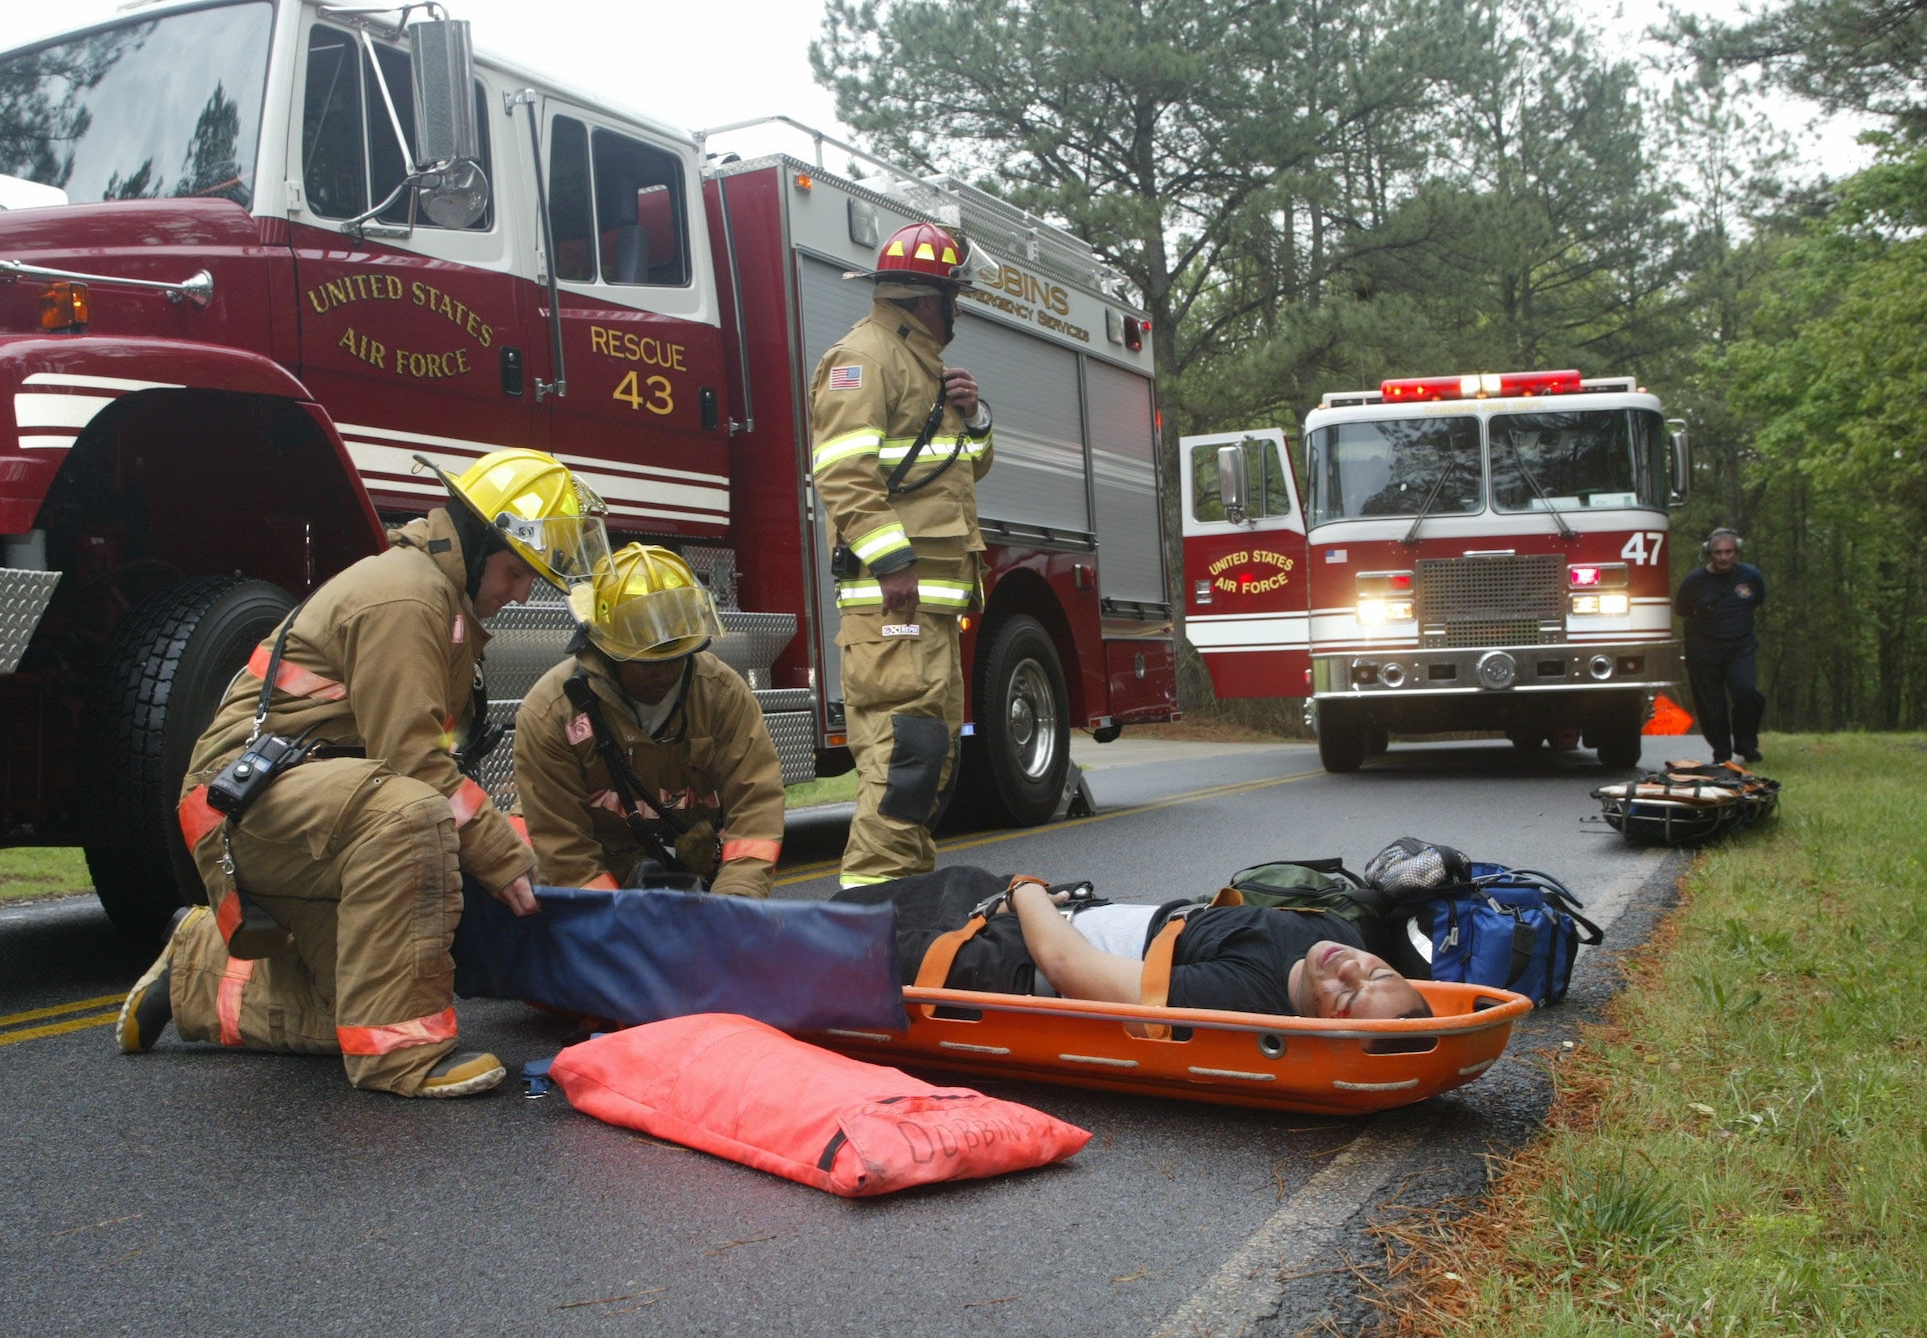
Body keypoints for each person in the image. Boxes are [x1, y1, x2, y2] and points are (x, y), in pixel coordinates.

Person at [115, 448, 609, 1098]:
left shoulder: (444, 607)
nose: (519, 595)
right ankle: (403, 1059)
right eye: (515, 572)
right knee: (414, 816)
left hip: (299, 807)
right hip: (245, 805)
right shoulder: (407, 596)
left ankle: (195, 973)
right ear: (477, 537)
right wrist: (500, 854)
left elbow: (420, 756)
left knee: (354, 1016)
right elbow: (413, 762)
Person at [809, 220, 996, 889]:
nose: (958, 312)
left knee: (925, 771)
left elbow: (960, 473)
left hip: (926, 615)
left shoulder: (922, 368)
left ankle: (905, 912)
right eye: (955, 298)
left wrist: (975, 419)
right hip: (894, 611)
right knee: (901, 769)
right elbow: (841, 471)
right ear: (927, 300)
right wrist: (893, 562)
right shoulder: (867, 360)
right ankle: (870, 919)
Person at [513, 544, 785, 897]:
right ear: (607, 650)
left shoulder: (720, 694)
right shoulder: (552, 713)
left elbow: (756, 805)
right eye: (646, 661)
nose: (664, 674)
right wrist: (613, 925)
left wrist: (733, 906)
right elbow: (565, 852)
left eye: (676, 656)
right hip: (598, 887)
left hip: (690, 874)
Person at [839, 873, 1431, 1021]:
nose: (1350, 969)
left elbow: (1070, 967)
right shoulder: (1341, 936)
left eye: (1344, 997)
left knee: (830, 943)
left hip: (1009, 960)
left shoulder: (1245, 993)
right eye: (1377, 976)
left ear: (1324, 1026)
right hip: (1051, 913)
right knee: (855, 905)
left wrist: (1024, 892)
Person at [1674, 527, 1766, 765]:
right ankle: (1722, 753)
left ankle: (1746, 744)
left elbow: (1758, 599)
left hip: (1740, 647)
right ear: (1709, 554)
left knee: (1746, 692)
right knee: (1711, 705)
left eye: (1729, 552)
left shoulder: (1751, 576)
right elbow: (1681, 609)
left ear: (1737, 552)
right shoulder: (1694, 581)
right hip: (1703, 649)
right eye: (1718, 553)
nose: (1724, 557)